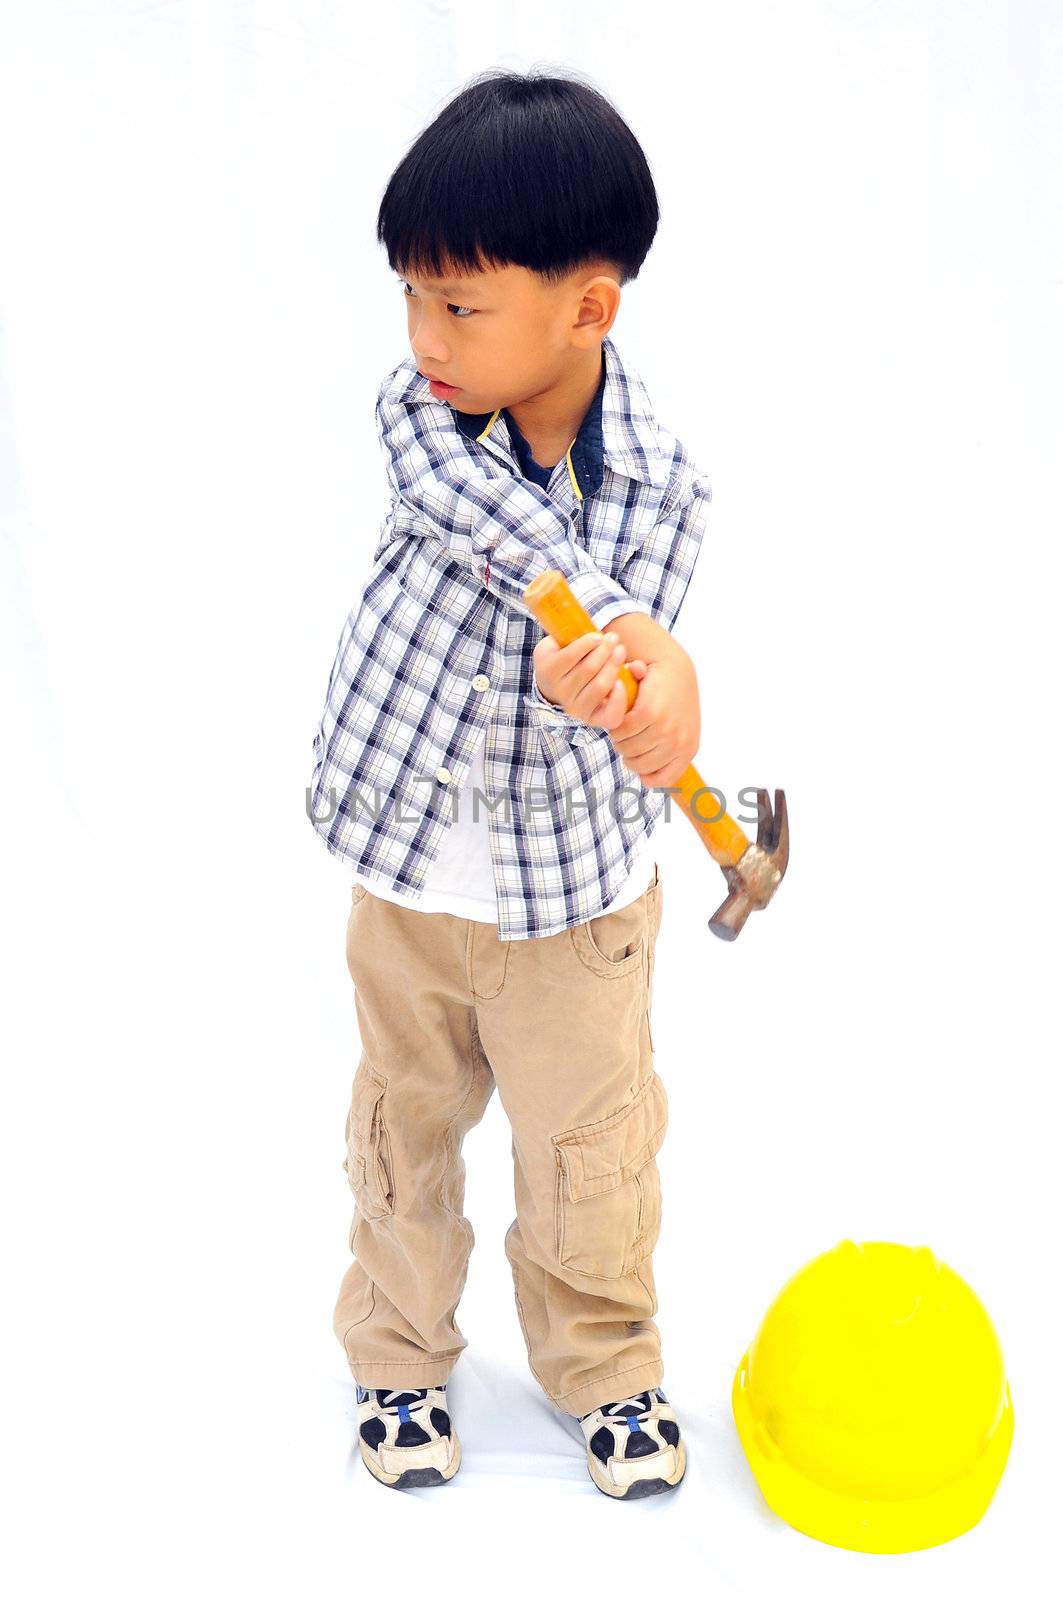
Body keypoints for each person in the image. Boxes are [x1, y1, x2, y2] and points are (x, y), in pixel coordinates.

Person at [308, 68, 712, 1499]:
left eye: (458, 305)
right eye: (411, 296)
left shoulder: (662, 482)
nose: (423, 336)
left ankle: (604, 1360)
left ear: (589, 308)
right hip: (412, 871)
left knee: (591, 1151)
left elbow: (631, 675)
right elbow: (475, 518)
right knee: (400, 1129)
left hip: (576, 902)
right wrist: (610, 619)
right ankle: (400, 1354)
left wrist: (643, 697)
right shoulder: (426, 416)